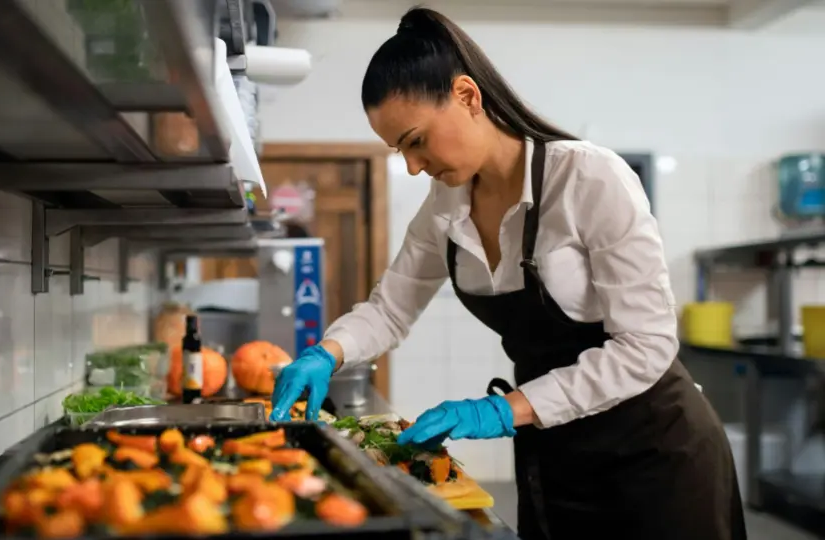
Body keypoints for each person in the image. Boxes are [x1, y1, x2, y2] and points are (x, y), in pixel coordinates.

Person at [270, 7, 746, 540]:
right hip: (556, 452)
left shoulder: (586, 178)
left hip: (656, 454)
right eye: (399, 150)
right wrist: (326, 353)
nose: (411, 165)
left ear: (468, 97)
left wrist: (500, 411)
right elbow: (390, 308)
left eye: (416, 140)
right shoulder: (444, 209)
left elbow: (646, 345)